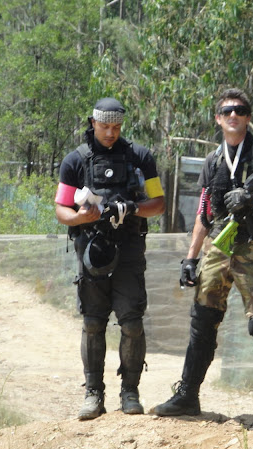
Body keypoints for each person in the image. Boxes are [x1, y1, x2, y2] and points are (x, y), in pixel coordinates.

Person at [153, 88, 253, 427]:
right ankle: (187, 396)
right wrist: (190, 257)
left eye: (241, 110)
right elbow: (204, 211)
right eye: (228, 110)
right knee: (202, 320)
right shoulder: (214, 160)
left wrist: (252, 199)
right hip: (217, 247)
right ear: (218, 119)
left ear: (249, 117)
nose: (234, 115)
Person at [55, 97, 166, 420]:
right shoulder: (75, 160)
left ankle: (130, 392)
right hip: (91, 249)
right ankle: (93, 393)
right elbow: (61, 209)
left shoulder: (140, 157)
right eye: (105, 126)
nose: (110, 133)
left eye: (116, 127)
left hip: (130, 248)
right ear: (93, 123)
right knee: (92, 323)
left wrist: (131, 208)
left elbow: (158, 203)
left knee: (131, 323)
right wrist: (81, 218)